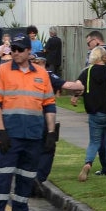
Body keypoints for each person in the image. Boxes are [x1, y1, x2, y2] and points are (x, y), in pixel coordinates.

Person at [0, 36, 55, 211]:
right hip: (11, 135)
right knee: (3, 180)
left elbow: (49, 104)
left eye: (19, 49)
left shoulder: (41, 74)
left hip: (33, 135)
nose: (15, 52)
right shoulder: (2, 71)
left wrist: (50, 132)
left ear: (28, 52)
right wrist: (1, 131)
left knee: (26, 181)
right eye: (13, 49)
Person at [31, 52, 83, 185]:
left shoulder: (23, 74)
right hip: (44, 115)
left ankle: (30, 177)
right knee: (48, 147)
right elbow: (68, 86)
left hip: (26, 117)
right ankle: (39, 178)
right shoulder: (46, 74)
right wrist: (80, 86)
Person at [78, 45, 106, 181]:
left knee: (94, 142)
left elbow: (78, 86)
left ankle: (88, 163)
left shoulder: (87, 72)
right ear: (105, 57)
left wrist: (75, 96)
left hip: (94, 113)